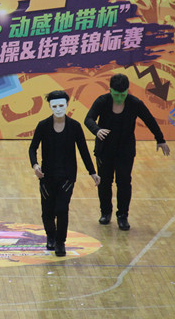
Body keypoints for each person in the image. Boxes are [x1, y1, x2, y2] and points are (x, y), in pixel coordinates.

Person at [85, 74, 170, 230]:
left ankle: (122, 216)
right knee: (104, 182)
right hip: (104, 150)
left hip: (125, 150)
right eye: (116, 95)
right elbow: (88, 119)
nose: (119, 98)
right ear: (110, 90)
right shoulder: (102, 101)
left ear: (127, 91)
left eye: (122, 95)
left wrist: (160, 139)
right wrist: (96, 130)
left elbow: (149, 120)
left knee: (124, 182)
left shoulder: (135, 103)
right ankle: (105, 212)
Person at [29, 91, 100, 257]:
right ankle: (51, 236)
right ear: (50, 106)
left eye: (61, 105)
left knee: (61, 209)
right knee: (47, 211)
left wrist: (92, 172)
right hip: (47, 176)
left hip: (67, 176)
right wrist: (35, 165)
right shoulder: (43, 125)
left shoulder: (75, 126)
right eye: (54, 106)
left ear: (67, 105)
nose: (58, 109)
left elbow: (83, 150)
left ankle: (60, 242)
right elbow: (33, 148)